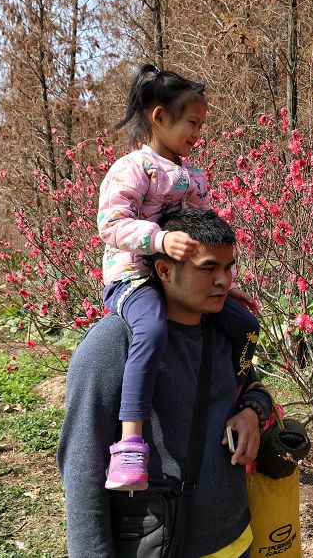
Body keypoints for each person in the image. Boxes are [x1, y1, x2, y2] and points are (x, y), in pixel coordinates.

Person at [58, 208, 271, 557]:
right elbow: (82, 466)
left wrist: (251, 412)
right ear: (165, 270)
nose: (223, 281)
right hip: (160, 545)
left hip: (236, 541)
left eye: (228, 267)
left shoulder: (222, 332)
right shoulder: (114, 343)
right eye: (208, 268)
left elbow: (252, 386)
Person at [97, 64, 259, 491]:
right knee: (150, 332)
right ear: (159, 117)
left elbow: (209, 239)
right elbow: (110, 224)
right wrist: (159, 239)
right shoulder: (132, 168)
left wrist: (221, 280)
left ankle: (233, 396)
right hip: (134, 277)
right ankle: (131, 443)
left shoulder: (193, 176)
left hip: (182, 283)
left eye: (201, 125)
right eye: (192, 123)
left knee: (246, 326)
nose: (197, 133)